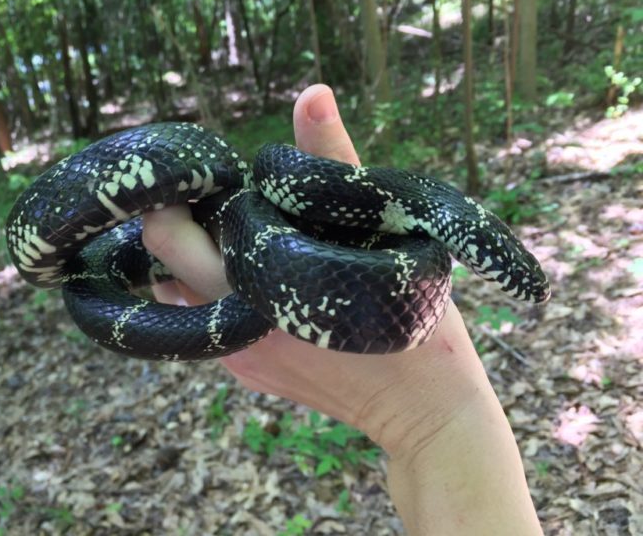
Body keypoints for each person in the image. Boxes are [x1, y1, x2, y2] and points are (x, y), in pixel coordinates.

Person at [142, 85, 544, 535]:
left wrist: (428, 420)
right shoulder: (403, 204)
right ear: (474, 244)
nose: (514, 283)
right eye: (511, 273)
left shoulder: (421, 226)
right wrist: (439, 426)